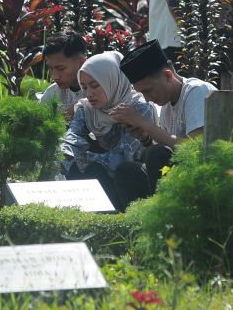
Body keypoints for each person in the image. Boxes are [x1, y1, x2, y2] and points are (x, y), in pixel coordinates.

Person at [110, 39, 216, 204]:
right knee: (126, 171)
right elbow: (162, 157)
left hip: (205, 179)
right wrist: (145, 137)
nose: (147, 99)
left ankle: (166, 223)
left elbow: (195, 148)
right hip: (180, 177)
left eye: (148, 91)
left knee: (157, 153)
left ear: (168, 75)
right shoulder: (166, 106)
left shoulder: (197, 91)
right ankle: (138, 225)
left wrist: (145, 123)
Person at [61, 51, 156, 211]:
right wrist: (59, 160)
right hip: (105, 178)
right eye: (84, 87)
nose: (89, 93)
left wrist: (86, 158)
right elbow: (72, 139)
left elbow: (124, 155)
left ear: (112, 80)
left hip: (133, 181)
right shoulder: (86, 110)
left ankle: (131, 222)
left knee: (119, 171)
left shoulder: (138, 107)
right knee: (79, 168)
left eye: (95, 85)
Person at [40, 31, 87, 124]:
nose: (54, 76)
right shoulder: (52, 93)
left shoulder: (102, 89)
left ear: (81, 62)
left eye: (60, 68)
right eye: (50, 68)